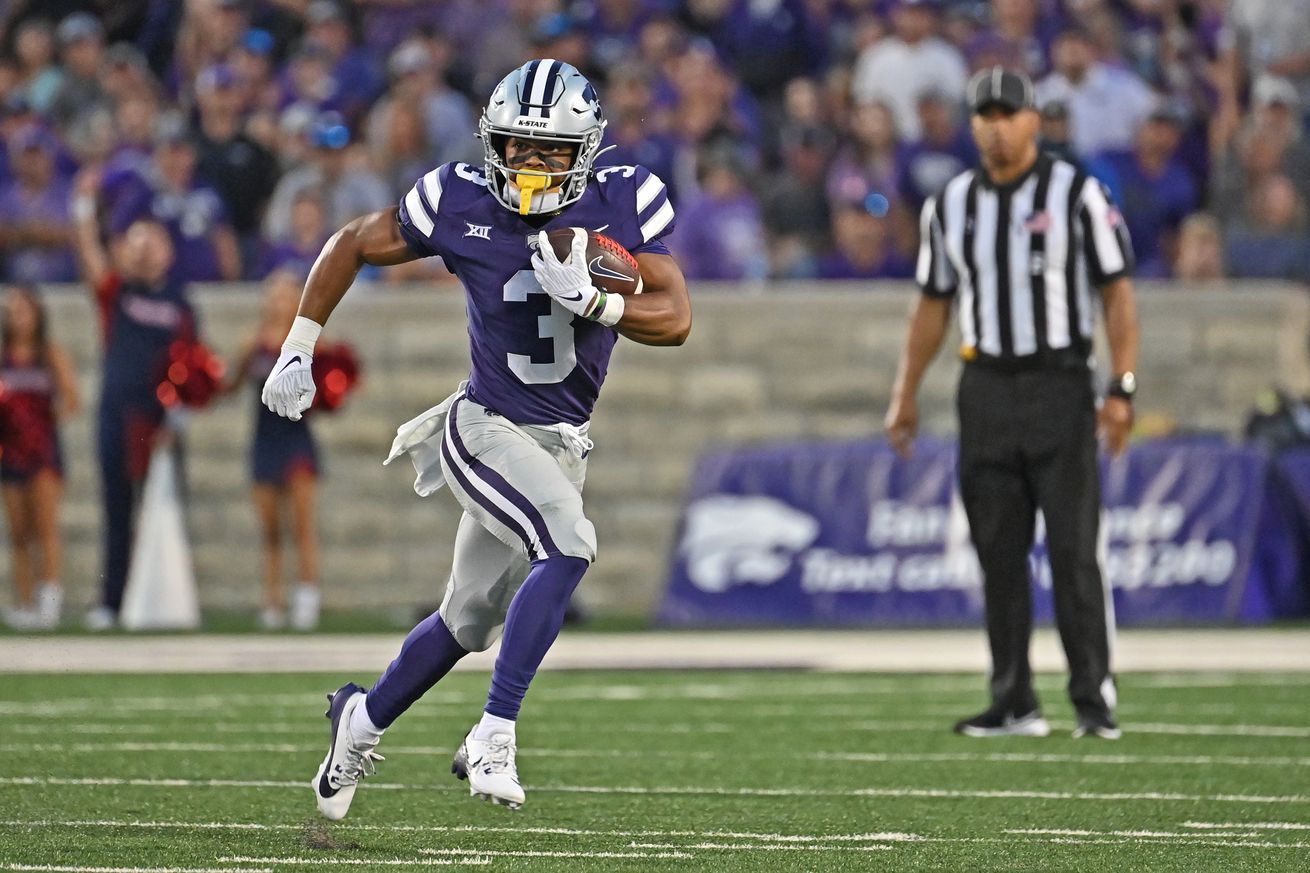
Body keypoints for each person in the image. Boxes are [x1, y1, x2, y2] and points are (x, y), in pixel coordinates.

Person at [260, 59, 690, 818]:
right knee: (569, 542)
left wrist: (597, 300)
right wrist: (300, 340)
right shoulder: (458, 196)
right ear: (493, 142)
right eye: (517, 146)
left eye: (549, 150)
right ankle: (494, 731)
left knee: (465, 620)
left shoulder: (624, 199)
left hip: (560, 440)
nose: (529, 164)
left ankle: (359, 717)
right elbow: (356, 240)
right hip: (484, 424)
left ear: (584, 150)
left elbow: (676, 314)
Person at [885, 67, 1140, 740]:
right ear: (973, 125)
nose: (997, 125)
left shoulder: (1077, 192)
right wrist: (905, 392)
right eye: (985, 114)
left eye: (1009, 112)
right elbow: (933, 304)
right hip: (986, 387)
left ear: (1034, 120)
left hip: (1060, 384)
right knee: (997, 551)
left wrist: (1123, 386)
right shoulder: (953, 203)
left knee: (1073, 548)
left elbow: (1117, 294)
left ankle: (1093, 696)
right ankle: (1014, 696)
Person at [72, 170, 199, 632]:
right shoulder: (117, 292)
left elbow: (191, 367)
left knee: (163, 507)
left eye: (153, 239)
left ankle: (164, 598)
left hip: (157, 420)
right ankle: (112, 599)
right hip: (116, 413)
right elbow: (90, 260)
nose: (145, 247)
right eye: (136, 239)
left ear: (168, 250)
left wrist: (176, 421)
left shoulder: (180, 303)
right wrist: (85, 210)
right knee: (117, 509)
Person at [223, 272, 322, 630]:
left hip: (296, 439)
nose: (278, 301)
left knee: (302, 525)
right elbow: (230, 385)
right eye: (274, 294)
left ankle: (308, 597)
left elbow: (323, 392)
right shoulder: (254, 344)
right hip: (265, 439)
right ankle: (272, 600)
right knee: (270, 529)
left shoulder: (307, 345)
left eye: (286, 294)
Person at [1, 284, 80, 630]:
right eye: (12, 312)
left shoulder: (50, 354)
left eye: (24, 311)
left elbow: (71, 400)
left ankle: (49, 601)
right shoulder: (2, 356)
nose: (18, 318)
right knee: (18, 531)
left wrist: (40, 426)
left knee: (45, 527)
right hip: (9, 453)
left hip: (43, 452)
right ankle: (25, 601)